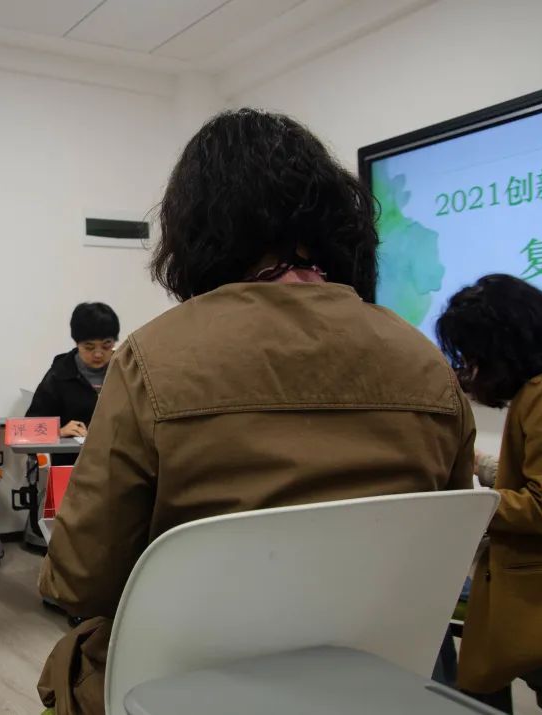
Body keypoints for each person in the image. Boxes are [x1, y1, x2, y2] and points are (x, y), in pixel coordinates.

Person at [36, 109, 476, 715]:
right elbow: (445, 545)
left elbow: (80, 578)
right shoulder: (424, 360)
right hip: (372, 683)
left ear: (197, 228)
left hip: (182, 685)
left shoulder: (153, 358)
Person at [437, 274, 542, 712]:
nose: (470, 366)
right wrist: (483, 465)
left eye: (472, 353)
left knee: (476, 691)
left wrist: (462, 510)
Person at [26, 303, 119, 466]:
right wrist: (58, 432)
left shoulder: (125, 371)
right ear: (77, 343)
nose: (98, 354)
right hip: (72, 465)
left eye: (106, 345)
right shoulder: (60, 374)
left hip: (118, 463)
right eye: (89, 347)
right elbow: (29, 430)